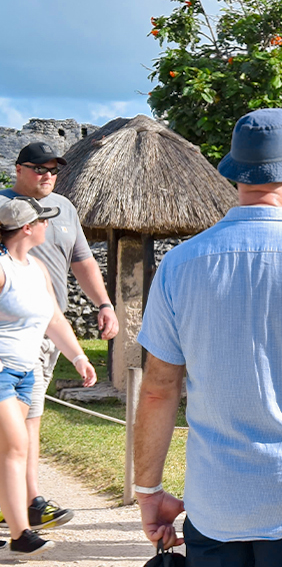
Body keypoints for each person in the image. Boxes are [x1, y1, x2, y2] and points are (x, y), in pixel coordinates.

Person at [133, 108, 282, 565]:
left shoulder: (179, 265)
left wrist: (148, 489)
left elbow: (157, 390)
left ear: (236, 176)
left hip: (214, 497)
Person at [0, 141, 117, 532]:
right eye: (39, 168)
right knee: (20, 428)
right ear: (18, 169)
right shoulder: (5, 209)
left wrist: (104, 305)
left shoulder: (63, 209)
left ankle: (20, 505)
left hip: (50, 328)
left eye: (53, 169)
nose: (48, 174)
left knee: (29, 422)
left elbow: (82, 262)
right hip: (11, 334)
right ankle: (28, 504)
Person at [0, 197, 98, 556]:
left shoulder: (37, 268)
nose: (48, 225)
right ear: (27, 228)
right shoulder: (2, 268)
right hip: (1, 373)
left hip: (27, 373)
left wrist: (78, 357)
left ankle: (15, 529)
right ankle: (21, 535)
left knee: (11, 450)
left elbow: (55, 319)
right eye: (42, 220)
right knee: (14, 447)